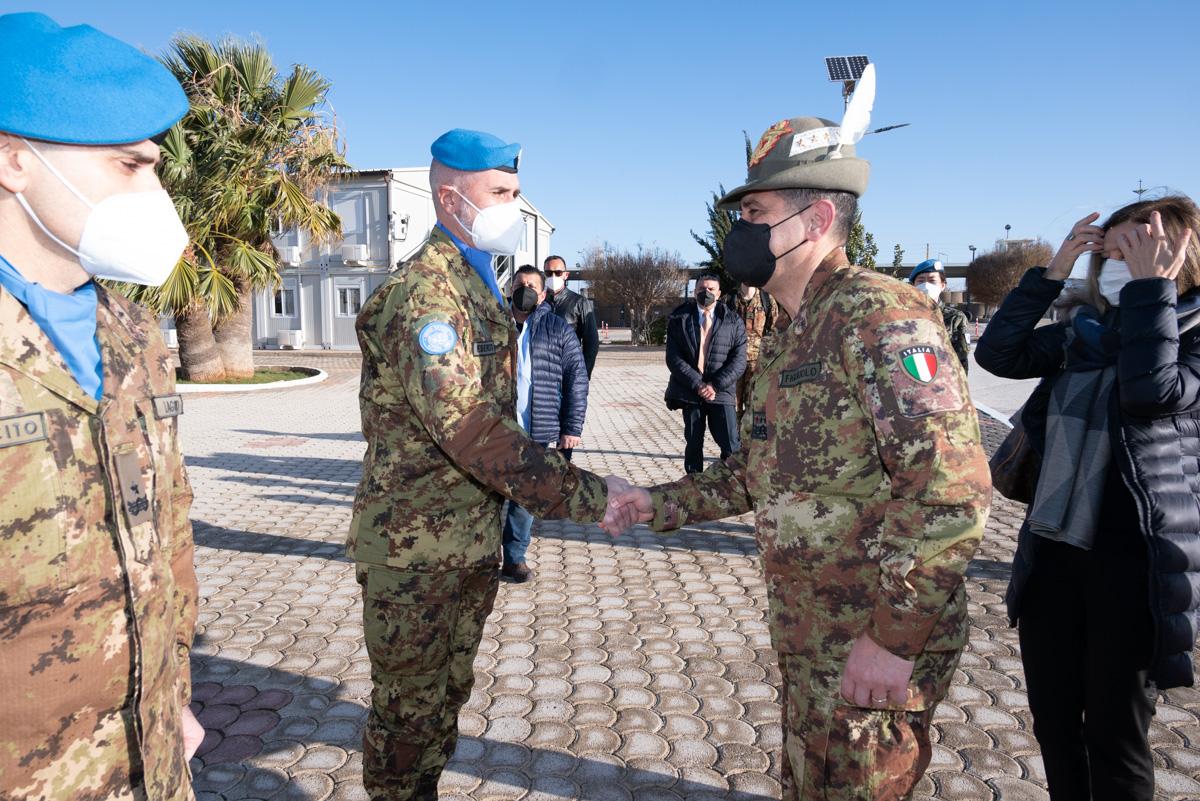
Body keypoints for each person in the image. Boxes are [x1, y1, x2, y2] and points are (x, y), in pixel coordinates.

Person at [613, 116, 991, 800]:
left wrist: (893, 638)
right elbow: (760, 469)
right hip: (815, 637)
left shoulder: (878, 315)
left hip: (870, 641)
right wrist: (655, 503)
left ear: (815, 219)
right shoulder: (793, 333)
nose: (743, 231)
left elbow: (952, 492)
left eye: (757, 213)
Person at [348, 128, 637, 801]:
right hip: (414, 550)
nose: (514, 203)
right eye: (502, 192)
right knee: (408, 716)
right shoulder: (426, 295)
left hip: (465, 540)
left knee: (444, 699)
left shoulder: (477, 284)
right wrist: (591, 494)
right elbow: (472, 430)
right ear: (451, 196)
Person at [0, 12, 203, 799]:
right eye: (129, 166)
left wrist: (171, 685)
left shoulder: (135, 330)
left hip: (149, 755)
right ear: (19, 163)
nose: (155, 193)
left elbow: (169, 524)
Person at [976, 197, 1200, 801]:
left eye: (1137, 248)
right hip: (1054, 551)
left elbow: (1154, 392)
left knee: (1114, 735)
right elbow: (997, 355)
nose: (1120, 261)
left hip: (1137, 566)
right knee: (1054, 727)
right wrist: (1053, 273)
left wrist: (1154, 293)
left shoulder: (1192, 335)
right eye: (1111, 251)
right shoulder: (1085, 331)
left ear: (1178, 255)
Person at [502, 264, 589, 582]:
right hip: (494, 429)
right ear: (510, 288)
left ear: (542, 294)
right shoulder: (492, 325)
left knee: (525, 496)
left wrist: (572, 428)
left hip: (536, 428)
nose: (524, 289)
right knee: (486, 497)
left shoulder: (558, 328)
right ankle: (478, 561)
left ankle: (514, 558)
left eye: (531, 286)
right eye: (519, 284)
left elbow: (576, 379)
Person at [664, 273, 747, 474]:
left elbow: (739, 361)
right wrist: (698, 384)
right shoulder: (679, 318)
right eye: (702, 289)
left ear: (719, 293)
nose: (706, 292)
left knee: (731, 445)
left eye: (711, 289)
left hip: (721, 393)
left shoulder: (733, 320)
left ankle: (732, 486)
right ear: (694, 292)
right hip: (691, 393)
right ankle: (693, 487)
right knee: (693, 445)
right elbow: (673, 358)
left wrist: (714, 385)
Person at [909, 258, 970, 372]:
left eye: (932, 281)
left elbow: (961, 361)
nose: (926, 285)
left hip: (943, 382)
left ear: (943, 285)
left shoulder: (955, 318)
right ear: (913, 286)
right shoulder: (903, 315)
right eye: (920, 281)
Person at [543, 254, 600, 376]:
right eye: (548, 273)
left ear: (565, 275)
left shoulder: (580, 302)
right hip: (541, 372)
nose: (553, 276)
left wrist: (584, 374)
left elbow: (591, 342)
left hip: (569, 369)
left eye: (558, 273)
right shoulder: (537, 303)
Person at [732, 283, 777, 417]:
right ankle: (734, 437)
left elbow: (775, 331)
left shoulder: (767, 300)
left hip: (758, 364)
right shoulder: (729, 300)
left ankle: (749, 436)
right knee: (732, 407)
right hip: (733, 362)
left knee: (755, 405)